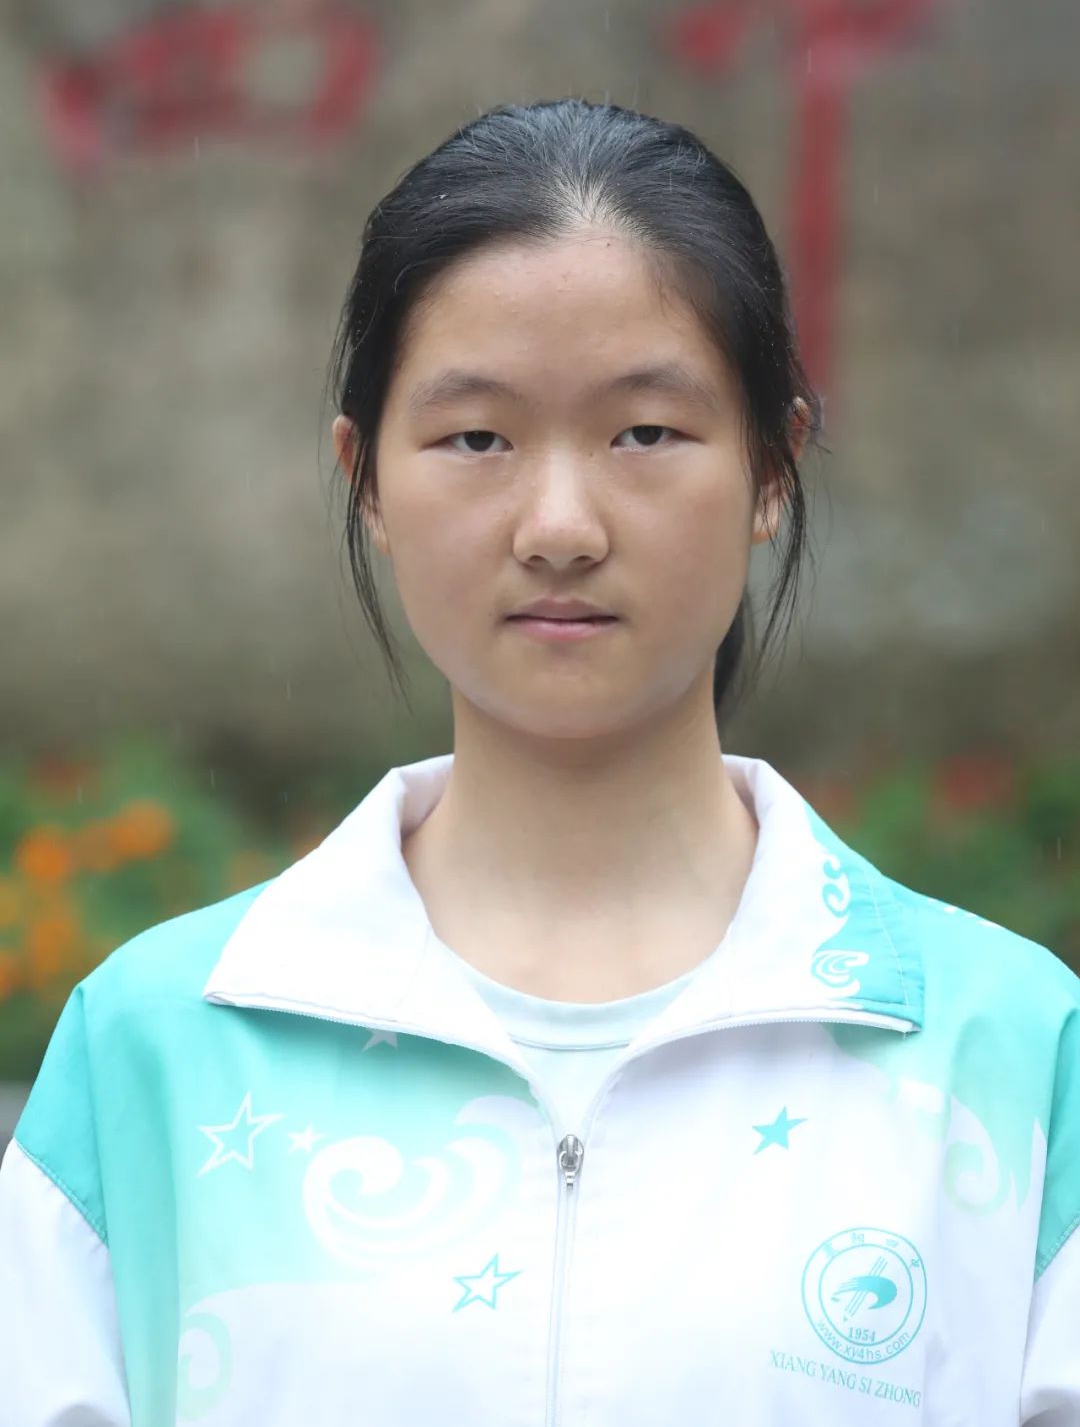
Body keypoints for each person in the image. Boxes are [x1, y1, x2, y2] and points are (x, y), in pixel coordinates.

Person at [1, 97, 1077, 1425]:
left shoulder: (1008, 1055)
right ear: (367, 480)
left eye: (645, 434)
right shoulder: (156, 1052)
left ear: (771, 470)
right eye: (478, 439)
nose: (560, 526)